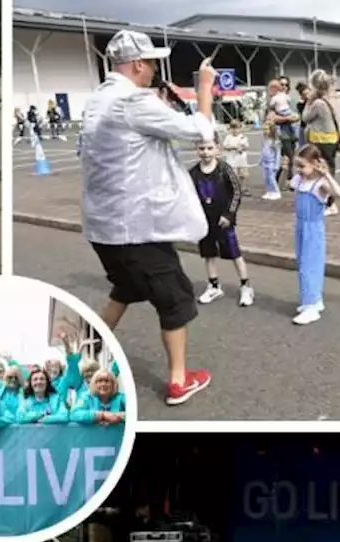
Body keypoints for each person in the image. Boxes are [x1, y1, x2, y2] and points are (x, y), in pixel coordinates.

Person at [80, 29, 217, 407]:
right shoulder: (133, 101)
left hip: (103, 226)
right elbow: (199, 130)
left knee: (126, 288)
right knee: (175, 298)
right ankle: (178, 381)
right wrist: (204, 87)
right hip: (135, 226)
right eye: (152, 62)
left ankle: (83, 354)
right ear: (138, 64)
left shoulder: (98, 100)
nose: (154, 68)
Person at [191, 136, 252, 307]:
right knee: (208, 253)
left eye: (209, 148)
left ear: (217, 148)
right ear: (196, 149)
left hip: (223, 220)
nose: (206, 152)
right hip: (205, 221)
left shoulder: (225, 169)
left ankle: (245, 285)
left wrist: (229, 214)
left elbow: (236, 193)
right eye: (201, 148)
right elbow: (189, 197)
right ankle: (214, 285)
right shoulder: (193, 173)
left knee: (234, 252)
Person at [289, 144, 340, 326]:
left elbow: (339, 193)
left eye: (302, 166)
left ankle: (311, 305)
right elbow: (290, 184)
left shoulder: (319, 184)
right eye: (297, 166)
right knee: (302, 262)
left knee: (309, 265)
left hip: (313, 229)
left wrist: (326, 173)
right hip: (301, 226)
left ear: (314, 164)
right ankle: (314, 300)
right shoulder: (299, 180)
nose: (299, 170)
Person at [301, 70, 340, 216]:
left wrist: (308, 101)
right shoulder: (336, 99)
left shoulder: (318, 103)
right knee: (329, 169)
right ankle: (328, 201)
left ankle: (329, 203)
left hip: (320, 140)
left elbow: (305, 117)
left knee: (322, 172)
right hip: (332, 139)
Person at [220, 119, 249, 195]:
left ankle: (241, 187)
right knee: (233, 174)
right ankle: (234, 188)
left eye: (237, 128)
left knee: (242, 174)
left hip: (241, 160)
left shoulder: (243, 137)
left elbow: (246, 146)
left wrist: (241, 148)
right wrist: (232, 147)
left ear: (240, 128)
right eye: (233, 128)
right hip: (231, 160)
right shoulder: (228, 137)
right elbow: (225, 146)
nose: (235, 130)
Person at [259, 120, 281, 201]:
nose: (265, 131)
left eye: (267, 129)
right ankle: (269, 191)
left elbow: (278, 154)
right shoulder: (264, 140)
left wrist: (277, 164)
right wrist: (260, 160)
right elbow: (262, 151)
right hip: (264, 162)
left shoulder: (275, 142)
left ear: (271, 130)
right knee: (266, 178)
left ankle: (276, 192)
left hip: (272, 163)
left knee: (271, 178)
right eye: (264, 129)